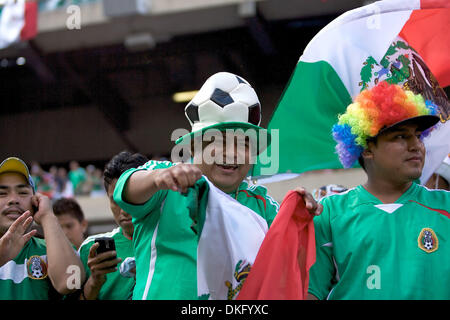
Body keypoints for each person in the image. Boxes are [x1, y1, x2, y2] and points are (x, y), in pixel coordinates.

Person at [113, 72, 320, 300]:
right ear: (193, 146)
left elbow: (288, 264)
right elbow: (125, 190)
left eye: (243, 143)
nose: (230, 153)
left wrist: (303, 216)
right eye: (217, 140)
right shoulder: (164, 183)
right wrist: (157, 178)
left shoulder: (263, 206)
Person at [307, 81, 450, 300]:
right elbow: (311, 293)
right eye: (401, 136)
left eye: (418, 135)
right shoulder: (327, 213)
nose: (416, 145)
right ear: (367, 149)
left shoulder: (446, 206)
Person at [0, 157, 85, 299]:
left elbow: (71, 284)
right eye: (2, 193)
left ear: (36, 201)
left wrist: (48, 216)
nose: (13, 199)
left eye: (22, 192)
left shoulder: (51, 250)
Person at [77, 151, 148, 300]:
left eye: (130, 197)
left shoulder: (175, 242)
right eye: (116, 200)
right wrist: (94, 282)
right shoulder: (90, 249)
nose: (123, 210)